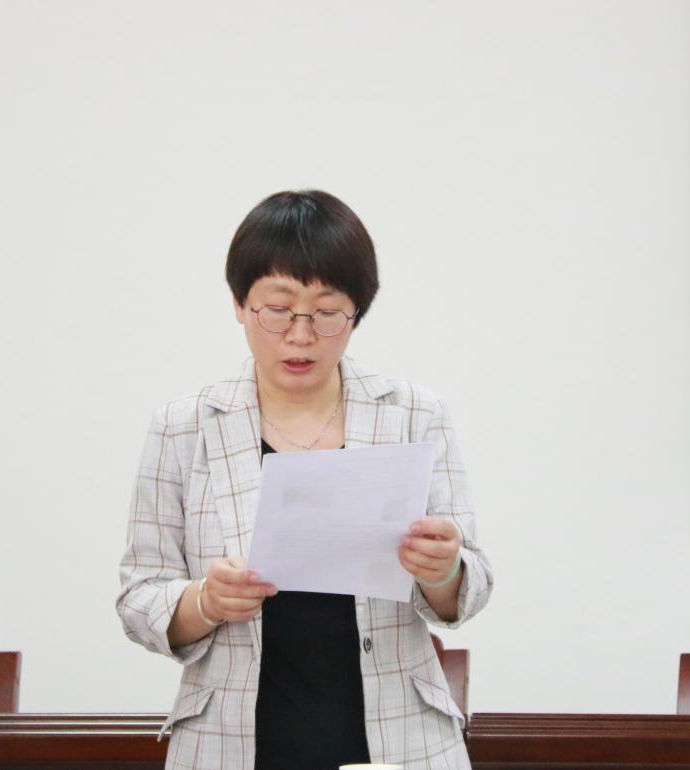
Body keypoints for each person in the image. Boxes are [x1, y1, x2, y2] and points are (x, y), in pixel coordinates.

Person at [116, 189, 493, 770]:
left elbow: (471, 585)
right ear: (239, 304)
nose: (300, 334)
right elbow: (138, 596)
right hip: (229, 742)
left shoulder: (412, 414)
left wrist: (443, 569)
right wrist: (206, 601)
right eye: (277, 308)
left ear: (357, 311)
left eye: (327, 311)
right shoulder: (184, 426)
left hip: (398, 740)